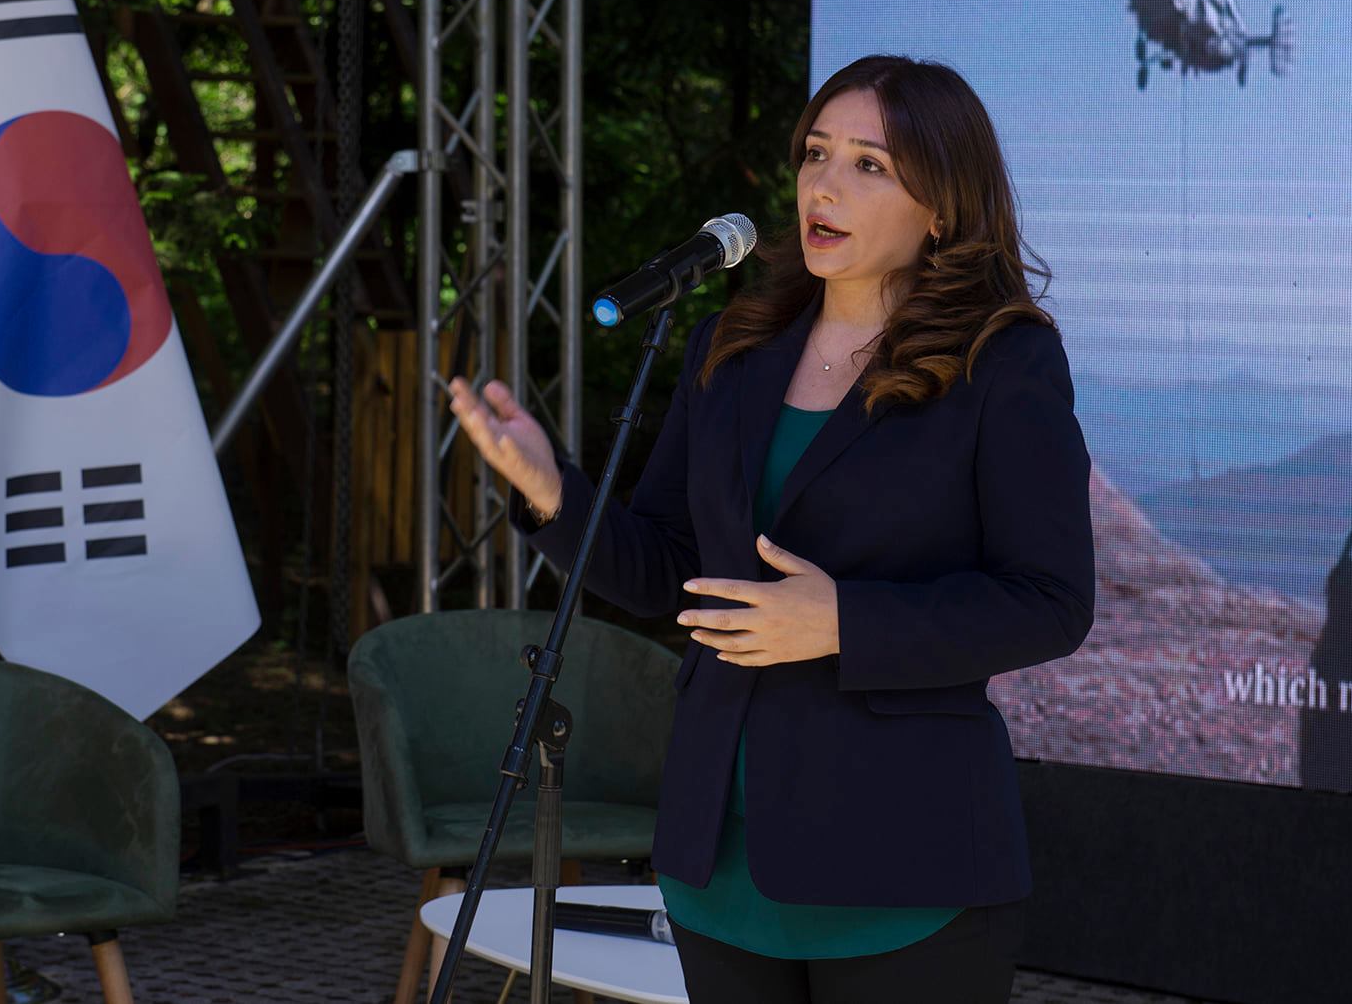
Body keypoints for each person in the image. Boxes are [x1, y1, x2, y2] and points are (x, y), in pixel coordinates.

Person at [447, 54, 1095, 1003]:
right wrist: (552, 493)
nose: (824, 185)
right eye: (816, 153)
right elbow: (666, 571)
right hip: (720, 862)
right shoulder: (731, 345)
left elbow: (1051, 601)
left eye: (869, 164)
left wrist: (843, 622)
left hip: (902, 865)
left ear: (943, 209)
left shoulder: (1002, 361)